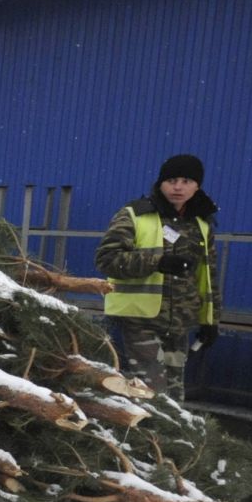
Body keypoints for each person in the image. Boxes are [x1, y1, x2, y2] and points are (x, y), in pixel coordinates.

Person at [95, 154, 219, 397]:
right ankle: (142, 431)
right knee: (151, 393)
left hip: (180, 323)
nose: (178, 187)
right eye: (171, 180)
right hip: (141, 320)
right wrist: (157, 262)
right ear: (160, 183)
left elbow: (208, 277)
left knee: (174, 396)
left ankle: (169, 435)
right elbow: (107, 259)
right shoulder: (135, 214)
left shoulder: (201, 224)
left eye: (186, 181)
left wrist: (211, 321)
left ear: (197, 186)